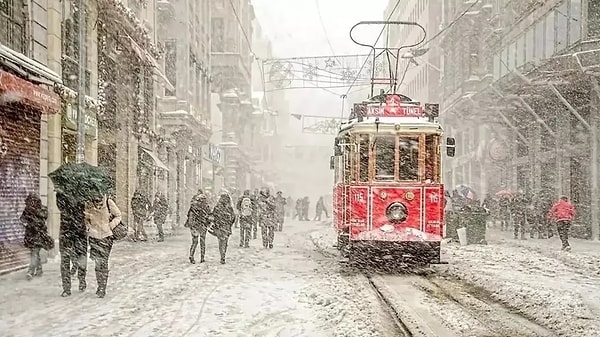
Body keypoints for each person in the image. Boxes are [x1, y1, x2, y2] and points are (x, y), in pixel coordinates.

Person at [84, 192, 122, 298]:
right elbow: (86, 219)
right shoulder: (89, 204)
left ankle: (102, 288)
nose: (97, 203)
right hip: (94, 237)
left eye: (99, 200)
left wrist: (110, 226)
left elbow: (118, 216)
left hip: (106, 237)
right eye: (95, 200)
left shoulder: (109, 202)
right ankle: (100, 284)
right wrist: (89, 227)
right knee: (97, 262)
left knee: (103, 262)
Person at [56, 189, 88, 297]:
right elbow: (60, 207)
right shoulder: (62, 194)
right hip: (69, 232)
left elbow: (84, 209)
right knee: (66, 260)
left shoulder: (82, 192)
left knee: (79, 257)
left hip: (76, 232)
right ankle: (67, 287)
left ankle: (80, 280)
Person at [20, 193, 49, 280]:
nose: (31, 203)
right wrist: (26, 221)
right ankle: (39, 270)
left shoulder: (43, 209)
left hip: (39, 235)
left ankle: (30, 271)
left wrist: (33, 219)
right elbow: (22, 219)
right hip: (30, 235)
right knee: (34, 253)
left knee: (34, 253)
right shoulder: (28, 209)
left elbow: (42, 220)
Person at [185, 192, 211, 264]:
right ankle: (202, 257)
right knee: (202, 242)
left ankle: (191, 255)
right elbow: (209, 216)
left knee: (194, 241)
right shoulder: (206, 206)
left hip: (194, 226)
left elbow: (188, 215)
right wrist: (207, 222)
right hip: (202, 225)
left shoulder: (193, 206)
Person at [212, 192, 236, 264]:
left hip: (219, 226)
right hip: (226, 227)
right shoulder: (229, 207)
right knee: (225, 242)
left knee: (220, 242)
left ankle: (222, 255)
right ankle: (223, 255)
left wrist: (216, 223)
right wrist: (229, 224)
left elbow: (213, 216)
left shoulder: (217, 207)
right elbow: (233, 217)